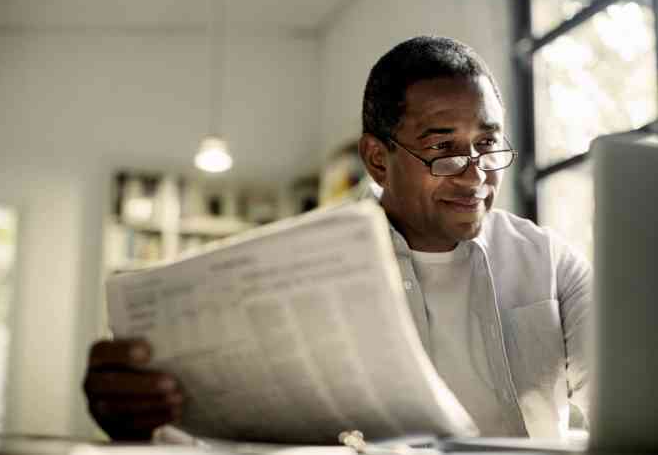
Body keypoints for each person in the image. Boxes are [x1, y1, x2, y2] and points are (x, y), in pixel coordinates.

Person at [84, 35, 591, 441]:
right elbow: (207, 435)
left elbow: (633, 402)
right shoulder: (291, 267)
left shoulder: (551, 262)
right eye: (443, 147)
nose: (475, 173)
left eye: (486, 143)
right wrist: (138, 417)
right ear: (376, 159)